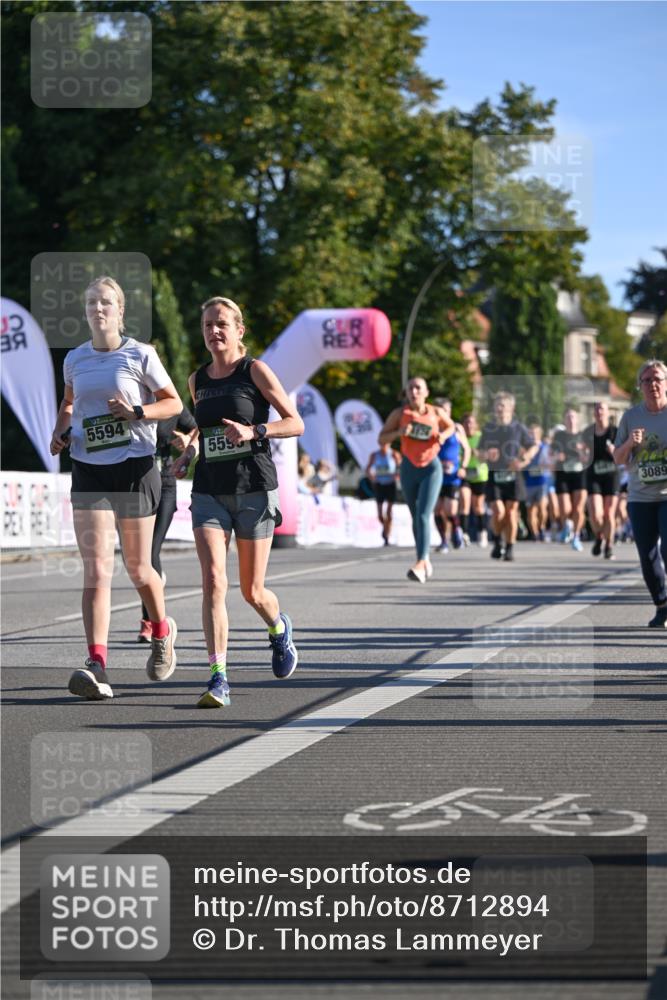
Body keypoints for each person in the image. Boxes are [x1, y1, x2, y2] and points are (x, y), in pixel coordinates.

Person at [50, 276, 182, 700]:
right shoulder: (75, 359)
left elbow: (174, 404)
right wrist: (60, 432)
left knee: (139, 569)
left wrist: (137, 412)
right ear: (85, 311)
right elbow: (69, 403)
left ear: (120, 311)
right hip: (88, 467)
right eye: (91, 302)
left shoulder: (140, 354)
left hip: (134, 466)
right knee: (96, 571)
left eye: (106, 302)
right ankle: (96, 663)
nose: (98, 309)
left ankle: (162, 631)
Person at [173, 296, 304, 707]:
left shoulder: (256, 371)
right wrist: (188, 452)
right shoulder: (198, 380)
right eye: (208, 325)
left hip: (253, 488)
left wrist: (255, 431)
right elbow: (202, 430)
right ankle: (218, 678)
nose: (214, 331)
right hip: (209, 490)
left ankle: (278, 629)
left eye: (221, 324)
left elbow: (295, 422)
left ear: (239, 330)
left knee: (252, 591)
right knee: (213, 580)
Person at [378, 377, 453, 582]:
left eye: (418, 388)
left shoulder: (436, 412)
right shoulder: (400, 414)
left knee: (423, 514)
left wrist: (443, 436)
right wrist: (399, 432)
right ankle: (425, 560)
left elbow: (451, 427)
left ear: (426, 392)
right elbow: (381, 438)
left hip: (431, 468)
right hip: (409, 467)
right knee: (415, 515)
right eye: (410, 388)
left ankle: (421, 561)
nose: (414, 391)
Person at [136, 408, 198, 642]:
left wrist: (188, 441)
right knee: (142, 557)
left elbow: (197, 427)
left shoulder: (171, 406)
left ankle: (149, 622)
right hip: (139, 484)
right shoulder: (130, 401)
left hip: (165, 484)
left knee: (151, 552)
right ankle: (153, 613)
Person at [613, 359, 667, 628]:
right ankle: (661, 604)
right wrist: (629, 443)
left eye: (657, 379)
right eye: (647, 380)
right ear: (640, 386)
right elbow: (618, 459)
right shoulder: (631, 417)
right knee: (647, 556)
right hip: (640, 497)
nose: (653, 384)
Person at [478, 392, 537, 562]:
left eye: (503, 405)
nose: (499, 409)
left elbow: (533, 447)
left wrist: (524, 460)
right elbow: (479, 453)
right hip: (495, 475)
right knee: (498, 511)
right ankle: (497, 541)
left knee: (511, 513)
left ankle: (509, 547)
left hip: (513, 475)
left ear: (512, 408)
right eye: (497, 405)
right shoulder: (488, 428)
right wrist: (486, 454)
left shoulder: (519, 428)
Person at [551, 407, 591, 552]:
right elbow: (551, 454)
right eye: (568, 416)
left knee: (579, 508)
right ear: (564, 420)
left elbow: (589, 457)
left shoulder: (583, 436)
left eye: (573, 416)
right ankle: (567, 525)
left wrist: (583, 453)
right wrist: (557, 457)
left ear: (578, 419)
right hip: (563, 474)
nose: (570, 419)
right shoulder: (559, 436)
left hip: (580, 474)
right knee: (565, 508)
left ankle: (576, 536)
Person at [433, 402, 471, 552]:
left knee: (450, 509)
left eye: (446, 410)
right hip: (437, 475)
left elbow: (466, 449)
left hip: (453, 475)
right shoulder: (433, 428)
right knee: (437, 509)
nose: (443, 414)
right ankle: (443, 541)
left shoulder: (457, 428)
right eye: (440, 411)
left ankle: (456, 530)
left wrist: (463, 467)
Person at [585, 402, 619, 560]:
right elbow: (582, 455)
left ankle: (609, 545)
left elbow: (623, 456)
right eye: (597, 409)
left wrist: (614, 452)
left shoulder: (616, 432)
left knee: (609, 513)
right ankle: (599, 536)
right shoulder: (588, 432)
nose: (599, 412)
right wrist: (583, 454)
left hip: (611, 476)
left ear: (608, 412)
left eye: (602, 409)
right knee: (596, 515)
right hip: (594, 477)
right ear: (594, 413)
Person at [460, 412, 489, 546]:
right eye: (466, 423)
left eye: (471, 422)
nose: (469, 425)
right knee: (465, 502)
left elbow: (486, 456)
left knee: (478, 506)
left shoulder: (481, 437)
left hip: (480, 475)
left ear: (476, 424)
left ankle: (482, 533)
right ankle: (464, 534)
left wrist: (476, 452)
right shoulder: (460, 438)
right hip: (465, 474)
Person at [366, 442, 401, 545]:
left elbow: (400, 466)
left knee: (389, 512)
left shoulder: (394, 454)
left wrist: (397, 475)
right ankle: (385, 527)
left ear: (389, 444)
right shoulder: (374, 455)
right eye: (382, 444)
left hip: (390, 484)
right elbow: (368, 468)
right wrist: (371, 477)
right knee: (380, 514)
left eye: (386, 444)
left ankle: (386, 534)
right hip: (379, 484)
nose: (384, 446)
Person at [522, 422, 551, 541]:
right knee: (531, 511)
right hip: (528, 483)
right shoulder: (525, 449)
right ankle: (535, 533)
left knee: (542, 507)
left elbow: (550, 463)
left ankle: (542, 527)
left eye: (535, 433)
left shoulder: (545, 447)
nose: (533, 436)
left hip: (542, 482)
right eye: (530, 434)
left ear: (540, 434)